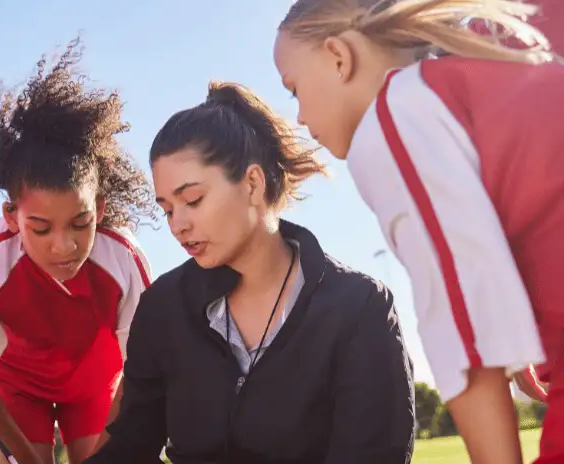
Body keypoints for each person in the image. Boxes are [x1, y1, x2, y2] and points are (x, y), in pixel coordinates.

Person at [272, 0, 563, 462]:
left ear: (339, 57)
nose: (301, 118)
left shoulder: (392, 117)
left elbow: (464, 330)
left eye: (294, 90)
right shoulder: (486, 68)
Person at [87, 81, 415, 463]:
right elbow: (131, 445)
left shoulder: (360, 308)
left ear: (253, 184)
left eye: (193, 200)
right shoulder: (163, 307)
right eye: (168, 209)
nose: (178, 225)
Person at [0, 39, 156, 464]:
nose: (64, 246)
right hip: (16, 386)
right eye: (40, 229)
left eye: (81, 223)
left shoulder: (123, 257)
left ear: (100, 209)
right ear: (12, 217)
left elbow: (145, 366)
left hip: (96, 384)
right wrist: (23, 456)